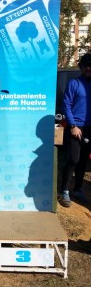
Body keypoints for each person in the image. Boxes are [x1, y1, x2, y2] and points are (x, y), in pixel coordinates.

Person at [59, 53, 91, 207]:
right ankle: (64, 191)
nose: (88, 68)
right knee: (74, 159)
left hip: (89, 127)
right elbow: (66, 105)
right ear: (81, 67)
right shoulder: (74, 83)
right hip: (76, 127)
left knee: (83, 161)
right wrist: (72, 125)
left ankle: (78, 189)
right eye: (85, 66)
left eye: (90, 66)